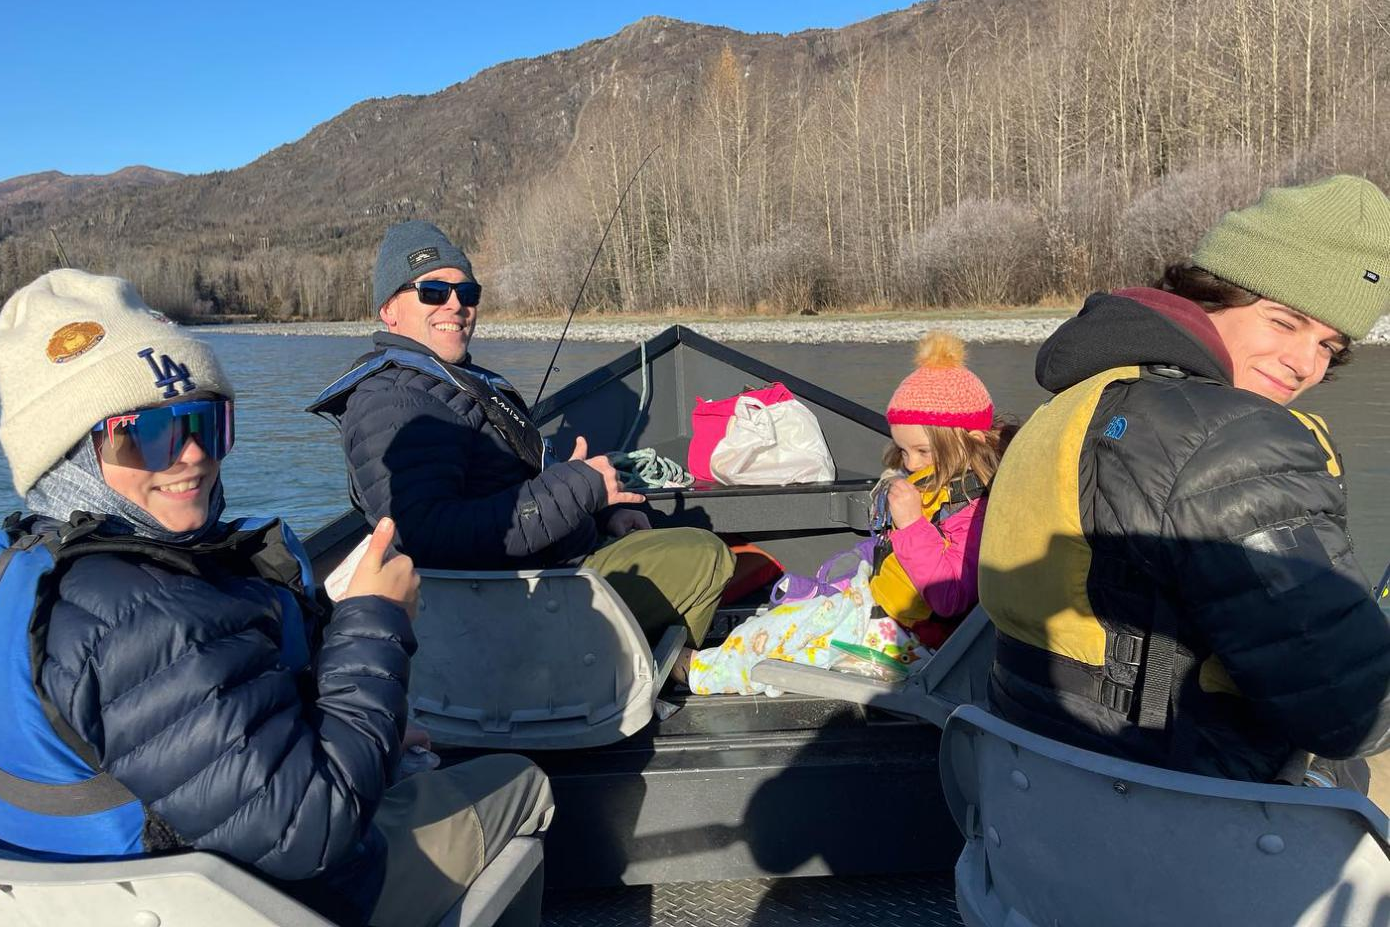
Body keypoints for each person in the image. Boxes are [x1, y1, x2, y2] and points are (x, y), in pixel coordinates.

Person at [0, 269, 552, 927]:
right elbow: (313, 830)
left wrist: (363, 725)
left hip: (118, 892)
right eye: (145, 433)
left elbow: (187, 733)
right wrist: (374, 621)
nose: (189, 456)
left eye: (206, 422)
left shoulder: (20, 564)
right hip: (260, 901)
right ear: (67, 453)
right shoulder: (137, 613)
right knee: (522, 783)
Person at [978, 175, 1390, 789]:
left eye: (1329, 344)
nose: (1305, 364)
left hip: (1045, 793)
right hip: (1197, 819)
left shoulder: (1084, 397)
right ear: (1214, 292)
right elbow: (1350, 712)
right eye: (1284, 321)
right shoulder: (1226, 434)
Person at [310, 221, 734, 653]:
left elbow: (507, 491)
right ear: (389, 310)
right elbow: (429, 535)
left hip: (544, 567)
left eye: (467, 293)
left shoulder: (446, 385)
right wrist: (578, 489)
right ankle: (634, 681)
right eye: (433, 292)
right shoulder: (392, 402)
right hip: (508, 607)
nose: (455, 305)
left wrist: (597, 512)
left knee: (663, 530)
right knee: (705, 555)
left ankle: (637, 666)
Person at [687, 333, 1014, 694]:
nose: (911, 463)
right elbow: (891, 553)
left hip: (911, 641)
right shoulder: (938, 488)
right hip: (878, 607)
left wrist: (911, 525)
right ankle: (718, 661)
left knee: (781, 638)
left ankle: (698, 671)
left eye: (922, 451)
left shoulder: (977, 513)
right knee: (789, 622)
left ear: (973, 442)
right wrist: (842, 578)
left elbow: (949, 597)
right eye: (904, 451)